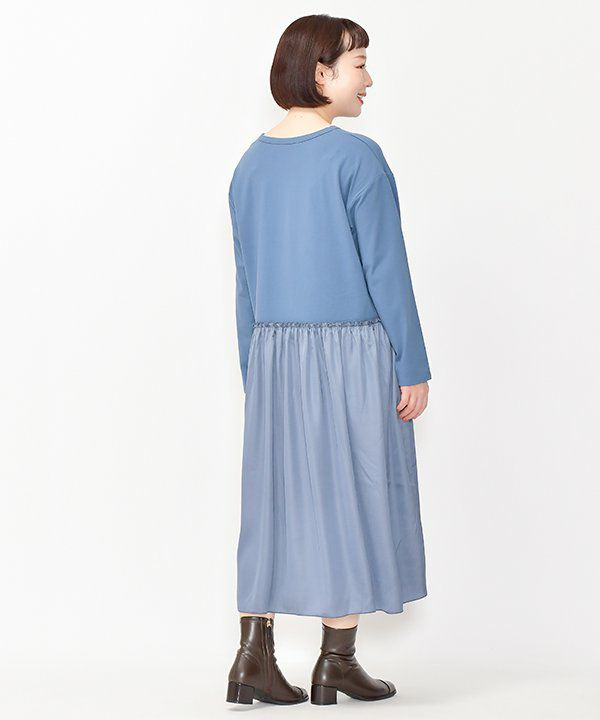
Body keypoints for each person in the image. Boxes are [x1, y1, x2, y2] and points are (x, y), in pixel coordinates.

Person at [225, 14, 432, 706]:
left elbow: (246, 282)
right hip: (350, 350)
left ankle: (253, 656)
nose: (369, 78)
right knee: (354, 495)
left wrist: (256, 373)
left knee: (275, 502)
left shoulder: (249, 165)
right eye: (359, 64)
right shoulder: (357, 158)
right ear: (322, 73)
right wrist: (412, 363)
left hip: (275, 353)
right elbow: (386, 269)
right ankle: (333, 661)